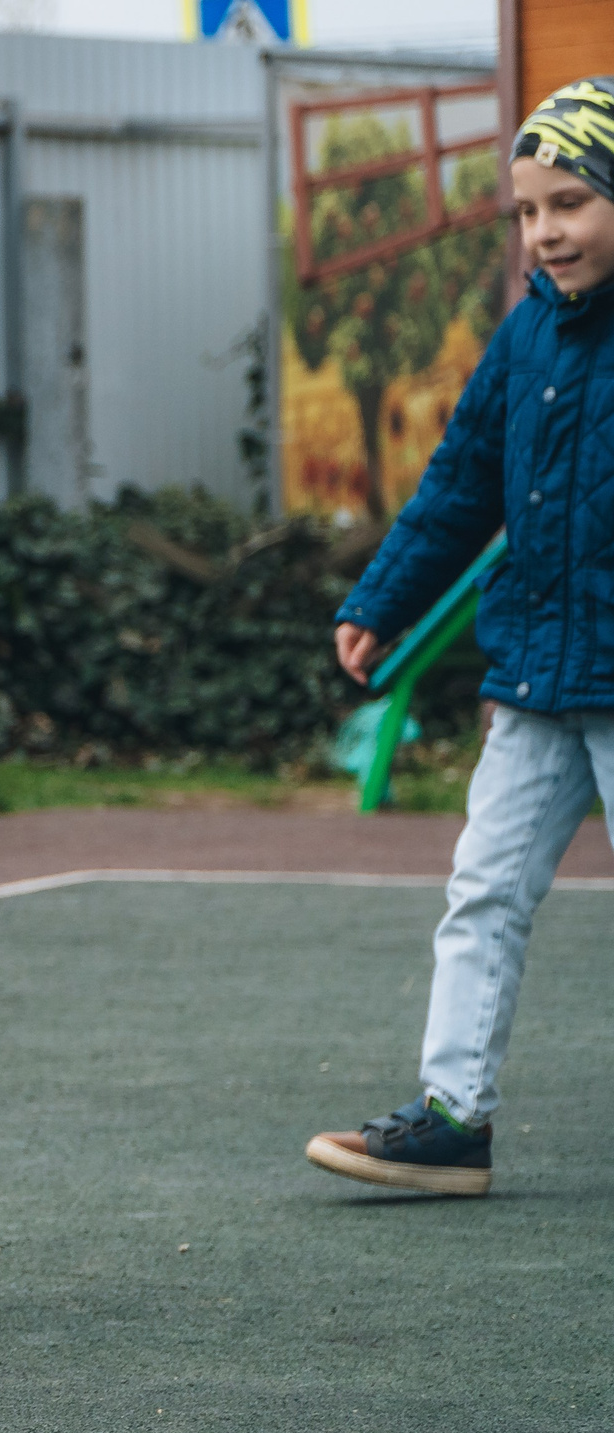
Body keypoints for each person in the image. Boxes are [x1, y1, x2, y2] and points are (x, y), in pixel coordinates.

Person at [307, 78, 614, 1199]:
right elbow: (458, 482)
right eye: (528, 212)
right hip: (535, 680)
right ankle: (451, 1120)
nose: (545, 233)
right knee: (480, 893)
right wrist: (378, 599)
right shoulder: (526, 335)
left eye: (571, 203)